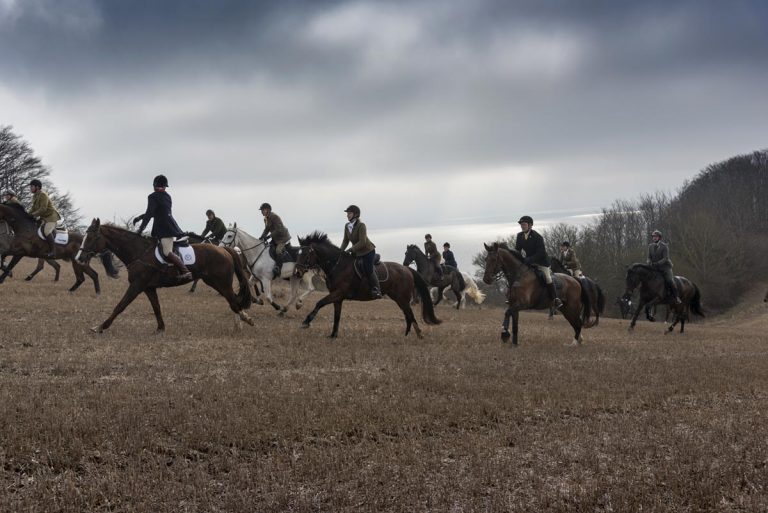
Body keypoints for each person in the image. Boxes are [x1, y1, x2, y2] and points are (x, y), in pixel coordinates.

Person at [132, 174, 192, 282]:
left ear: (154, 185)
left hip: (164, 229)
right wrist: (141, 217)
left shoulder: (153, 196)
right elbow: (158, 212)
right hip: (167, 227)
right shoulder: (167, 196)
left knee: (167, 252)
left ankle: (185, 271)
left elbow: (150, 213)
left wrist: (140, 229)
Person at [515, 215, 562, 309]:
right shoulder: (519, 236)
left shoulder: (538, 237)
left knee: (548, 278)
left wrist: (529, 259)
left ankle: (555, 299)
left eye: (524, 224)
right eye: (521, 224)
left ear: (530, 225)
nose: (522, 226)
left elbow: (541, 253)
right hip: (529, 262)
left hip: (542, 262)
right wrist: (517, 259)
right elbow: (518, 250)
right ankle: (514, 296)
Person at [340, 205, 381, 299]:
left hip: (368, 251)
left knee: (368, 268)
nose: (347, 215)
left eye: (349, 213)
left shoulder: (361, 225)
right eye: (347, 213)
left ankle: (377, 290)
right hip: (357, 252)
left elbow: (363, 242)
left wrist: (350, 249)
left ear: (356, 214)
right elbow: (345, 241)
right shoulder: (347, 226)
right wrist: (340, 252)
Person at [28, 179, 62, 257]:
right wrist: (26, 215)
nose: (30, 188)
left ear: (37, 187)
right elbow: (33, 208)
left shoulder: (43, 195)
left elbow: (43, 209)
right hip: (44, 217)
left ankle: (53, 251)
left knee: (46, 231)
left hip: (51, 217)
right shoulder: (35, 196)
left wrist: (33, 215)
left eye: (32, 186)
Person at [647, 229, 681, 304]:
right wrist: (649, 262)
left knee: (669, 280)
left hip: (665, 268)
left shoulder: (664, 246)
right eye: (653, 236)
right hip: (655, 268)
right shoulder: (650, 246)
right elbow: (649, 257)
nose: (654, 238)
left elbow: (666, 258)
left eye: (656, 236)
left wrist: (657, 263)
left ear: (659, 237)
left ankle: (676, 297)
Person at [258, 203, 291, 278]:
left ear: (268, 210)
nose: (261, 212)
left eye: (263, 210)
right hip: (276, 238)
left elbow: (279, 230)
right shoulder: (266, 218)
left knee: (278, 251)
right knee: (267, 248)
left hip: (283, 238)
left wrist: (269, 236)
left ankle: (278, 268)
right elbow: (266, 229)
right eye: (261, 210)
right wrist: (262, 236)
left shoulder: (275, 217)